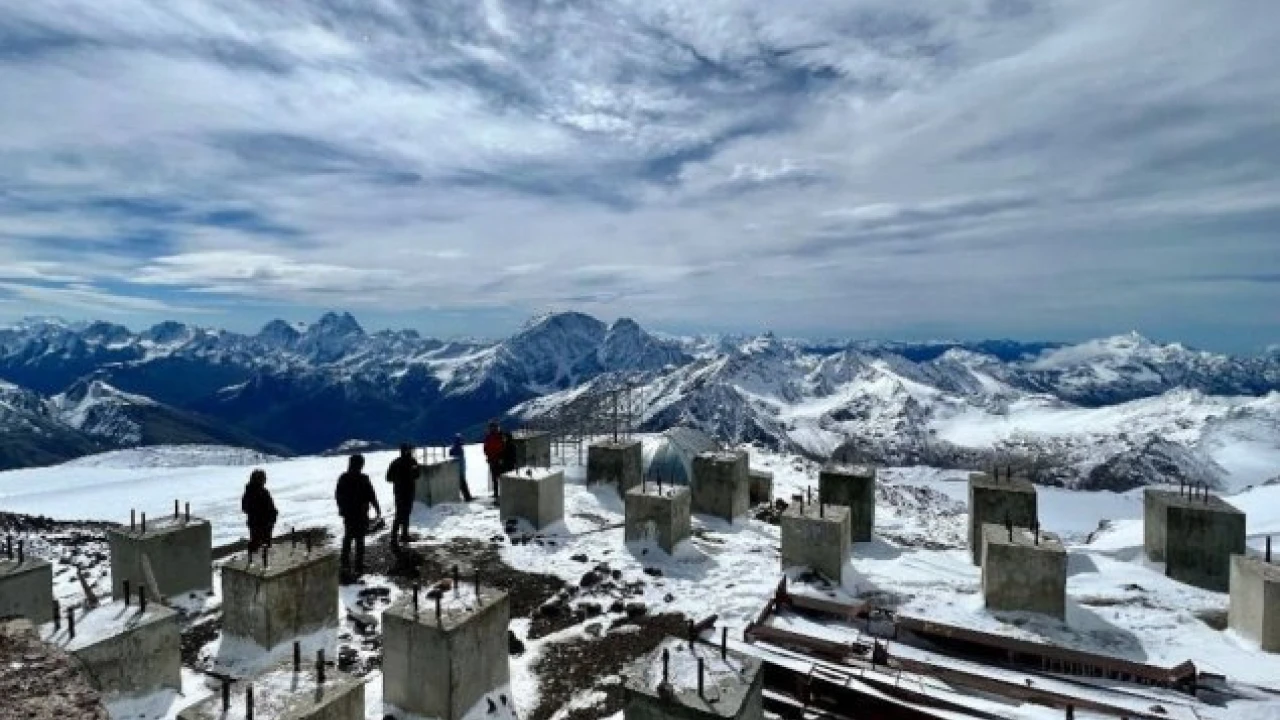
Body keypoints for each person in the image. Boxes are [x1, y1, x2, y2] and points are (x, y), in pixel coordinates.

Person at [335, 454, 380, 577]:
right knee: (352, 539)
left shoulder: (360, 478)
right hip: (352, 514)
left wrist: (376, 506)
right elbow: (339, 497)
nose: (360, 466)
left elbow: (371, 494)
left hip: (359, 514)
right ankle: (348, 564)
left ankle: (355, 564)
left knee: (356, 539)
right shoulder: (345, 478)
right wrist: (344, 510)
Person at [385, 443, 420, 550]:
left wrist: (397, 479)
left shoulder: (396, 462)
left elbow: (388, 478)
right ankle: (399, 536)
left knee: (401, 514)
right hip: (407, 491)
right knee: (404, 514)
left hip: (400, 492)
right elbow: (417, 475)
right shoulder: (412, 461)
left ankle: (399, 536)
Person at [241, 469, 278, 555]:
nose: (265, 480)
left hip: (263, 523)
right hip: (259, 524)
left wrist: (272, 515)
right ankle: (256, 563)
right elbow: (245, 508)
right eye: (263, 478)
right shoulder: (255, 492)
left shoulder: (255, 491)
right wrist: (262, 514)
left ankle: (259, 562)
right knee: (258, 545)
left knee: (262, 545)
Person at [483, 421, 505, 497]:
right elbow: (502, 448)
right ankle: (500, 493)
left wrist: (488, 456)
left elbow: (486, 448)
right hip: (497, 460)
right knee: (498, 477)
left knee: (495, 478)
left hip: (494, 460)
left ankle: (497, 493)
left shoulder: (490, 437)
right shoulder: (500, 436)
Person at [450, 434, 473, 502]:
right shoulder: (459, 449)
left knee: (461, 484)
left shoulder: (453, 449)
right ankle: (467, 497)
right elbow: (459, 461)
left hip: (458, 470)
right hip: (459, 470)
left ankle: (466, 497)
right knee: (463, 484)